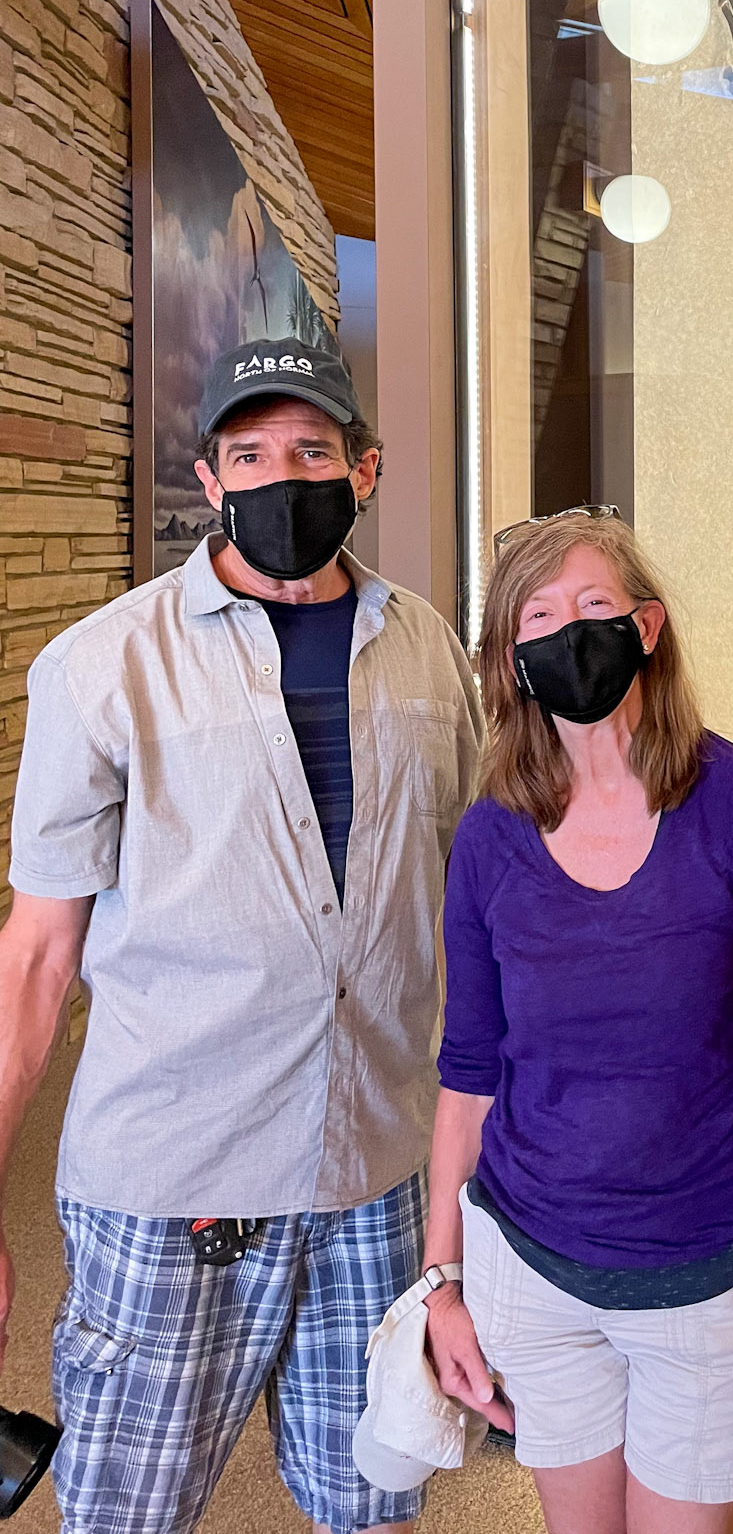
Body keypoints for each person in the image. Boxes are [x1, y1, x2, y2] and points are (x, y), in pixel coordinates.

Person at [0, 338, 484, 1534]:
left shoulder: (428, 648)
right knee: (128, 1513)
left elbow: (469, 897)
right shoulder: (100, 666)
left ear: (366, 469)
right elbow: (36, 953)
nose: (284, 476)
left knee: (373, 1503)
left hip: (376, 1171)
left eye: (313, 450)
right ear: (210, 478)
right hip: (175, 1184)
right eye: (251, 453)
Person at [420, 507, 733, 1534]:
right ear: (512, 660)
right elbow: (469, 1069)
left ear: (648, 627)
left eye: (594, 607)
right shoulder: (489, 836)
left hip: (708, 1285)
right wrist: (441, 1282)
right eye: (540, 617)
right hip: (536, 1272)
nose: (569, 634)